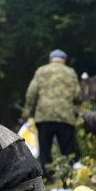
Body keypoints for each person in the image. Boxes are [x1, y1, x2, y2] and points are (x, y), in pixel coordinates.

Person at [24, 49, 82, 181]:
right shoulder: (70, 72)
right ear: (64, 60)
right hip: (65, 116)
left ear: (50, 60)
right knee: (66, 149)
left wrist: (30, 112)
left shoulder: (41, 71)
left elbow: (31, 94)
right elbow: (78, 95)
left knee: (45, 149)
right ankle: (66, 177)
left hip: (43, 116)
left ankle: (48, 177)